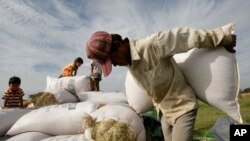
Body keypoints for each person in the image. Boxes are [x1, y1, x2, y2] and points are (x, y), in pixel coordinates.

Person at [85, 23, 236, 141]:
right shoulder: (131, 65)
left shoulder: (152, 46)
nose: (116, 65)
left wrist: (220, 37)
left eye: (113, 60)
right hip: (164, 114)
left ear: (118, 46)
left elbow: (187, 37)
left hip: (182, 107)